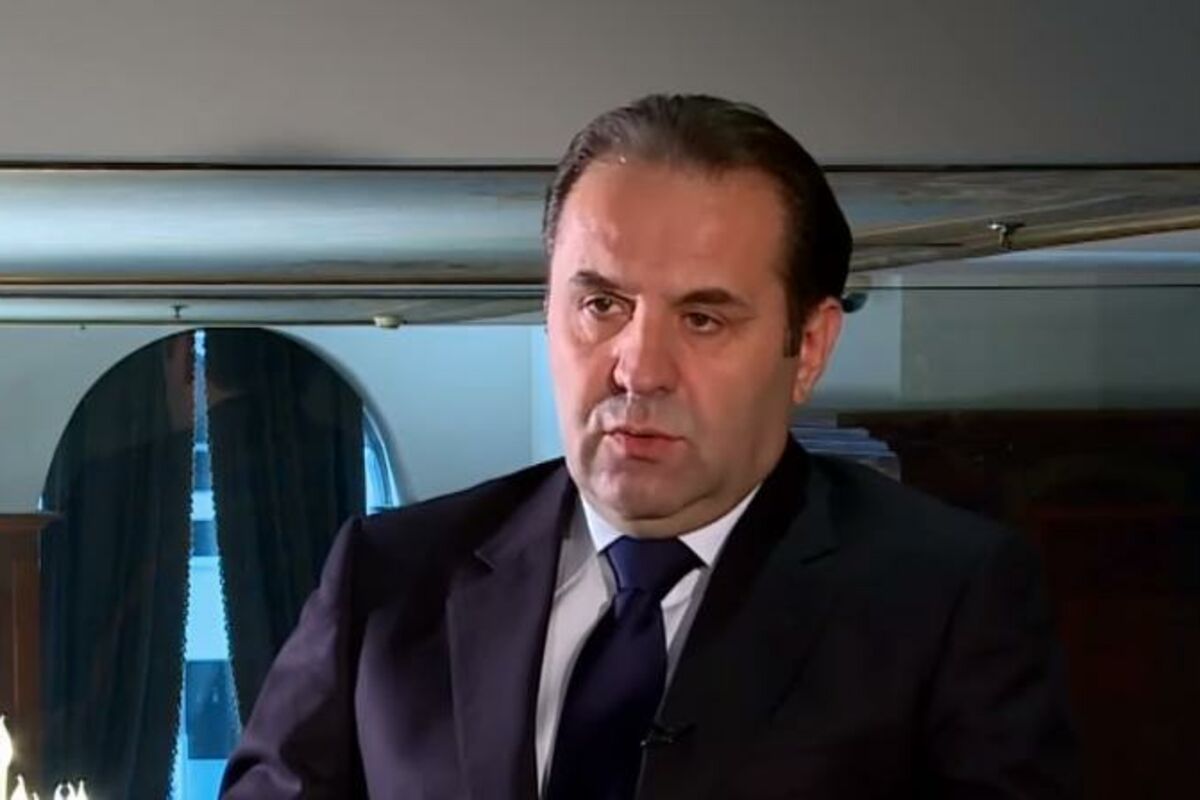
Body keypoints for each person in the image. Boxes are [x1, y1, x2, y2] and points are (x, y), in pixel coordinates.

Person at [220, 94, 1078, 799]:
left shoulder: (944, 600)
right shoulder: (390, 577)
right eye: (601, 306)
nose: (638, 368)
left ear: (808, 347)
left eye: (703, 318)